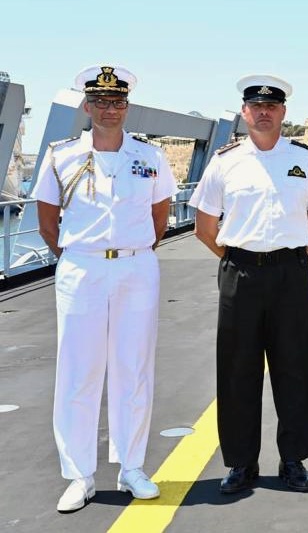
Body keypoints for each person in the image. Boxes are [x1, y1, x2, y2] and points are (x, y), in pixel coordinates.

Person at [33, 65, 176, 512]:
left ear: (127, 106)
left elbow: (160, 215)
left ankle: (131, 467)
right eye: (101, 102)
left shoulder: (149, 156)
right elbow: (46, 220)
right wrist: (82, 255)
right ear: (87, 106)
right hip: (82, 270)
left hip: (136, 268)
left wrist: (131, 250)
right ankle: (79, 475)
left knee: (134, 369)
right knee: (79, 371)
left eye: (117, 102)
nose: (109, 109)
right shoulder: (61, 156)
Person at [189, 74, 308, 495]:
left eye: (272, 106)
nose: (264, 112)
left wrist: (291, 259)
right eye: (256, 106)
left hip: (290, 273)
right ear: (244, 112)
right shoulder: (225, 161)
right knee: (237, 371)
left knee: (295, 368)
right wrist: (237, 261)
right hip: (241, 273)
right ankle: (240, 463)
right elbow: (204, 225)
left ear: (283, 113)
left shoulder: (303, 159)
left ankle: (293, 460)